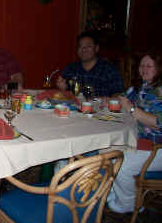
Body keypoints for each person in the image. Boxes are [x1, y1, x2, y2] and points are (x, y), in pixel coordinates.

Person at [107, 52, 162, 214]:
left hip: (158, 148)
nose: (143, 69)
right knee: (107, 153)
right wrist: (104, 100)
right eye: (141, 65)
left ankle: (129, 204)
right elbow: (118, 100)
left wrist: (131, 108)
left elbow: (158, 123)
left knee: (121, 164)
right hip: (141, 142)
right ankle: (113, 193)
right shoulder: (140, 88)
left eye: (149, 66)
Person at [56, 30, 123, 101]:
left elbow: (118, 94)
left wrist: (112, 98)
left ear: (96, 48)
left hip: (102, 110)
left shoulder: (109, 69)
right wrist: (62, 88)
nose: (84, 49)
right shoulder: (71, 68)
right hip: (74, 110)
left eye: (88, 46)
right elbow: (63, 95)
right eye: (80, 46)